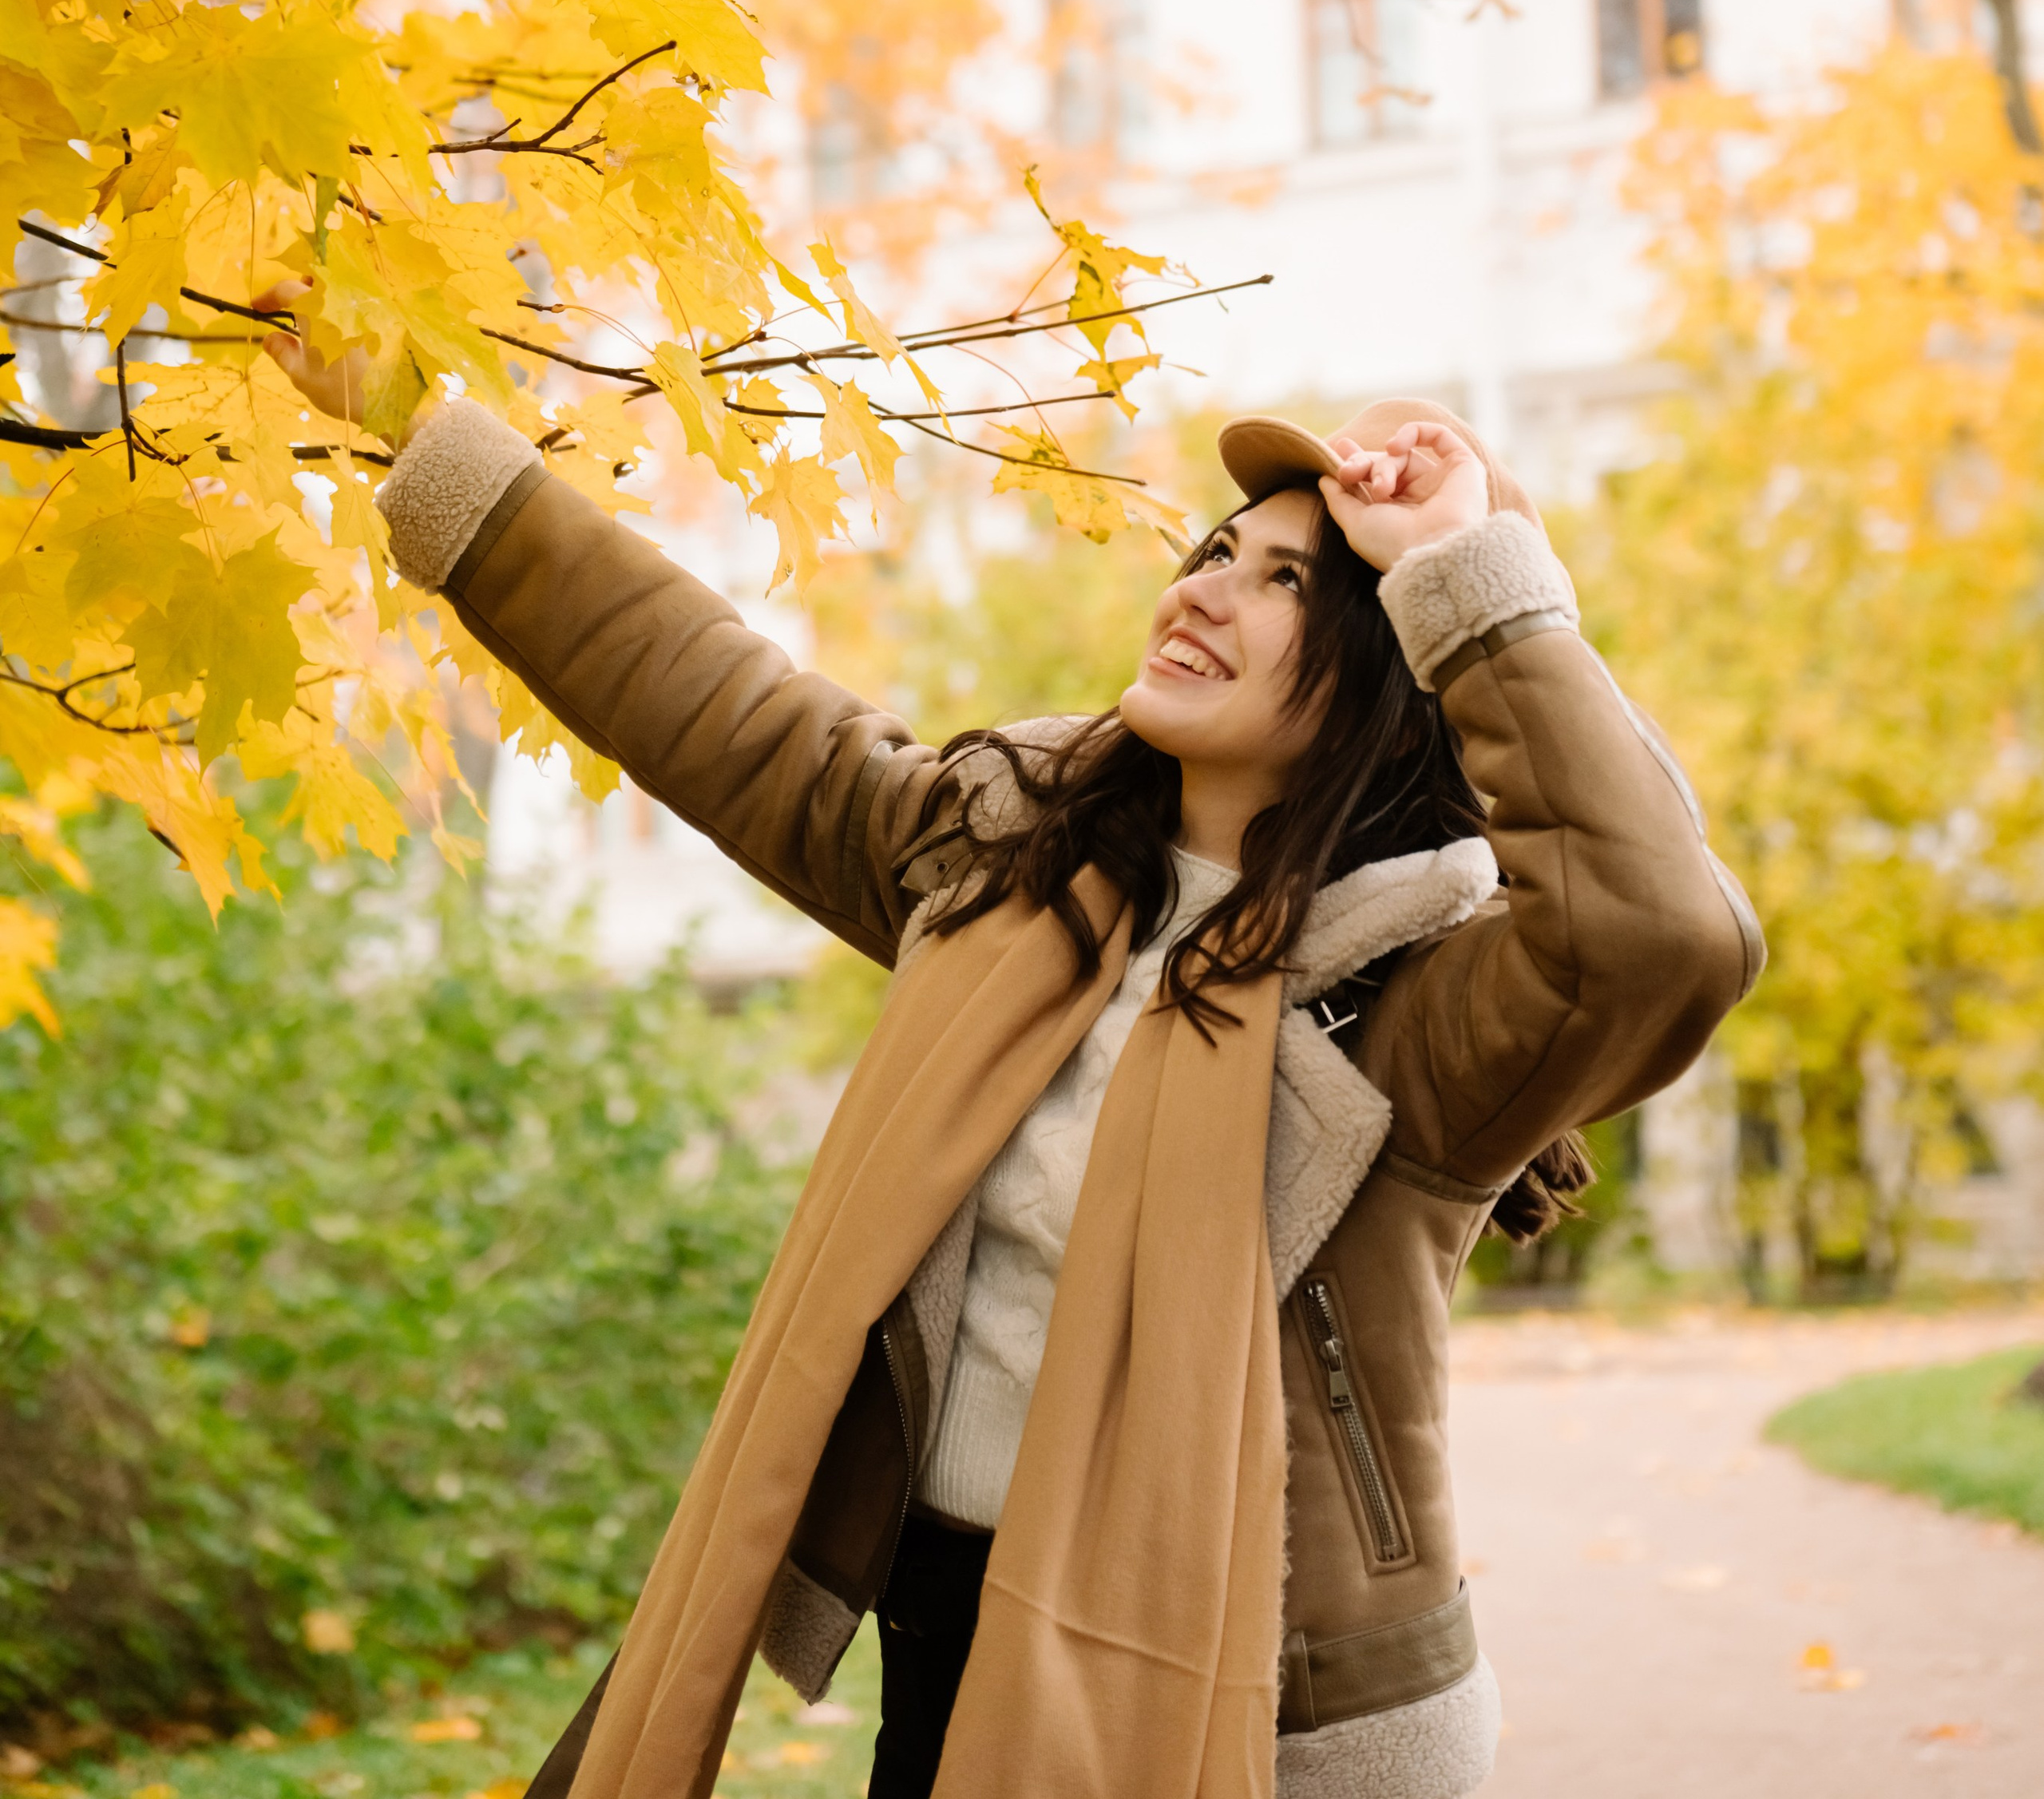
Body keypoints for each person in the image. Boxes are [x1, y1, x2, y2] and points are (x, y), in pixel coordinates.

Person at [263, 306, 1763, 1799]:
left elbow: (1661, 933)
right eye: (1215, 554)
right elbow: (708, 697)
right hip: (955, 1647)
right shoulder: (999, 865)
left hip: (1280, 1723)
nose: (1209, 593)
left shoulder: (1423, 1014)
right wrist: (419, 429)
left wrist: (1465, 582)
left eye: (1287, 582)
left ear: (1386, 676)